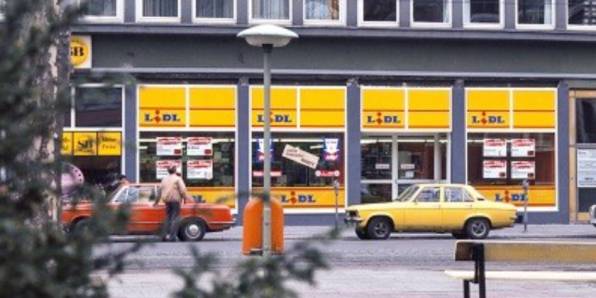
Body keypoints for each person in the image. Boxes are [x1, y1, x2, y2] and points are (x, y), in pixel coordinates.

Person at [154, 166, 188, 241]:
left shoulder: (164, 179)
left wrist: (156, 202)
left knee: (167, 218)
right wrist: (186, 198)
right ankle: (172, 236)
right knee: (175, 218)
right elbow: (183, 190)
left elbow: (159, 192)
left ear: (168, 171)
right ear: (175, 170)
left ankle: (163, 235)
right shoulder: (177, 179)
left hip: (167, 201)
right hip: (175, 201)